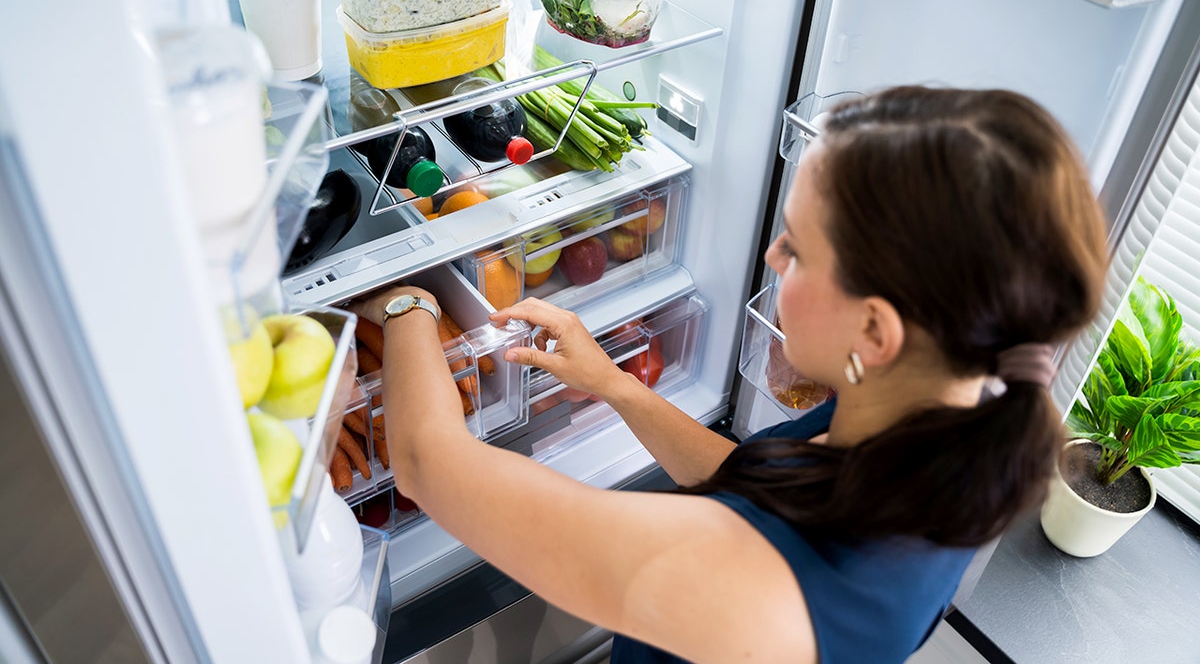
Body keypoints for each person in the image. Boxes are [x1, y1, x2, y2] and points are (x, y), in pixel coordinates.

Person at [349, 85, 1110, 663]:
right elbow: (763, 483)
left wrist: (406, 289)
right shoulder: (955, 426)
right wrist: (618, 386)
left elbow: (423, 459)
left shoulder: (739, 582)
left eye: (799, 249)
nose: (774, 257)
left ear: (877, 329)